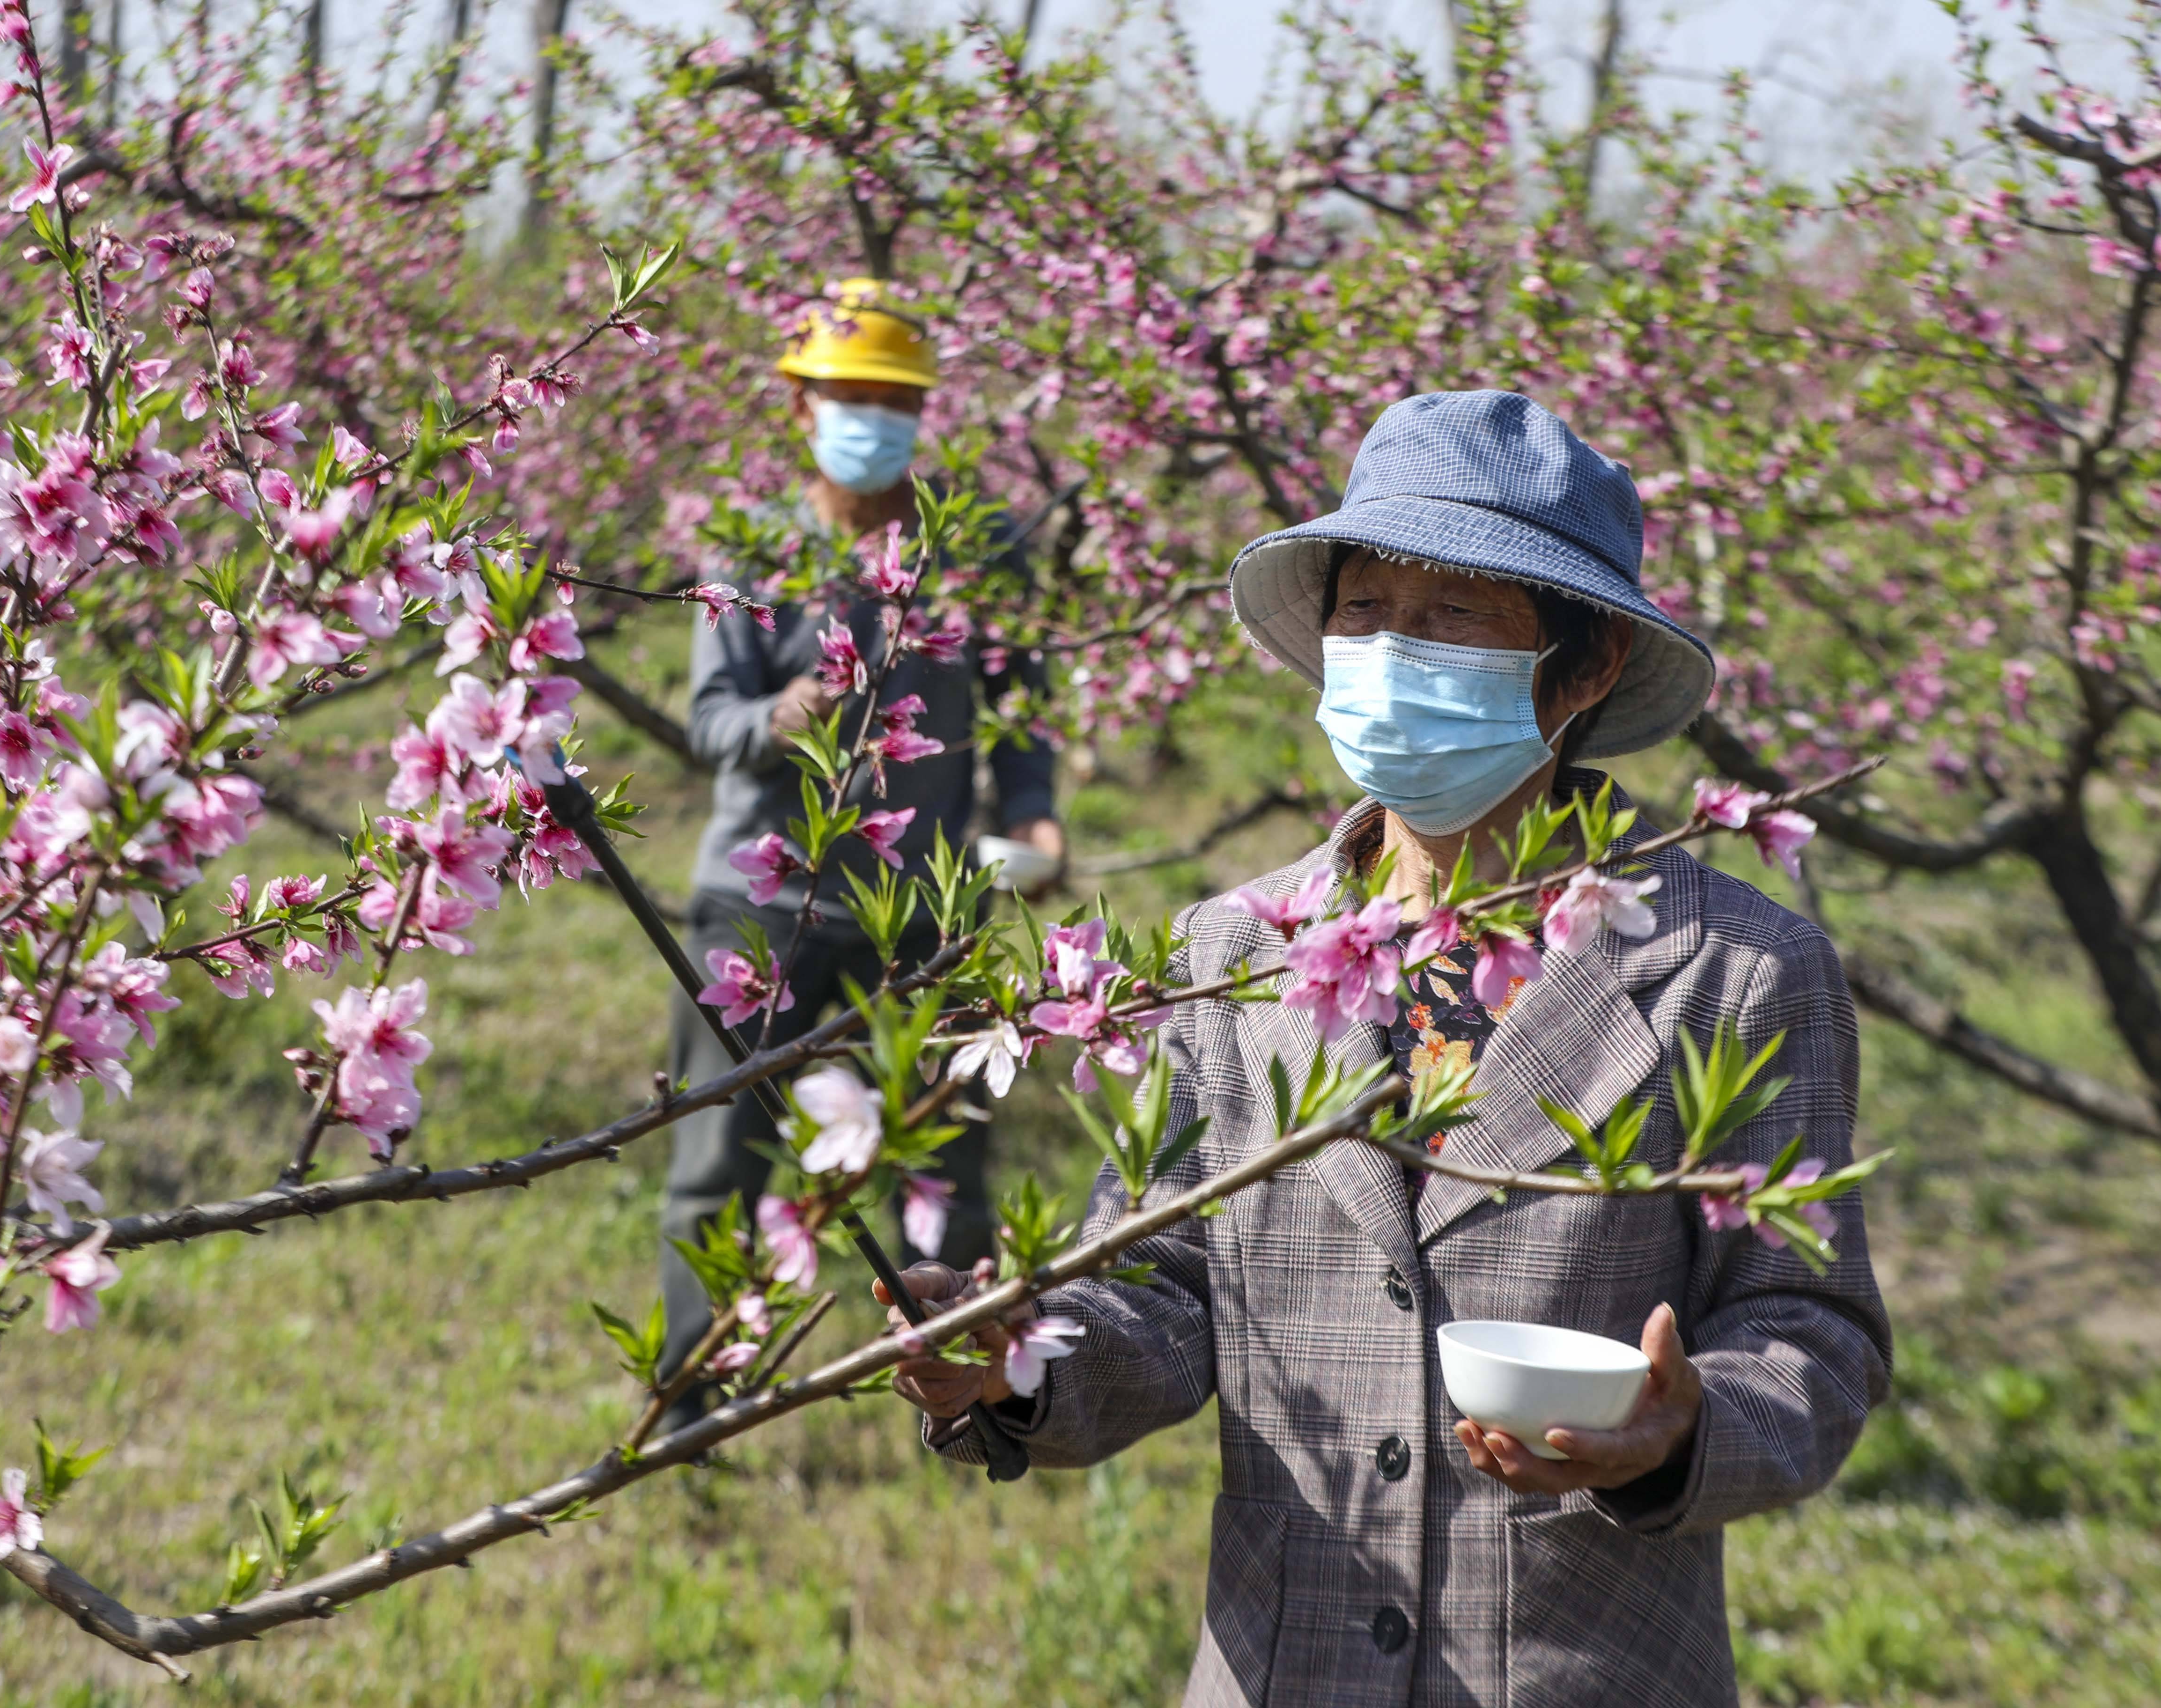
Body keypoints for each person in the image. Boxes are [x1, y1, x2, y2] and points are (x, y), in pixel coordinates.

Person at [881, 391, 1891, 1705]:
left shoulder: (1734, 968)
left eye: (1451, 618)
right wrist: (1010, 1352)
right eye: (1362, 612)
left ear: (1580, 672)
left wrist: (1681, 1427)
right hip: (1282, 1660)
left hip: (1582, 1667)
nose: (1390, 652)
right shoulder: (1231, 953)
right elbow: (1166, 1281)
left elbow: (1810, 1331)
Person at [659, 278, 1067, 1425]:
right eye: (845, 393)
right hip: (759, 912)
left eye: (889, 397)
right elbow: (707, 725)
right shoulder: (748, 552)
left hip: (919, 918)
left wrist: (1034, 813)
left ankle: (977, 1391)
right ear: (802, 404)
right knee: (718, 1170)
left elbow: (1019, 708)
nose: (867, 416)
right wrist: (778, 715)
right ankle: (688, 1408)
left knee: (940, 1171)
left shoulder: (976, 549)